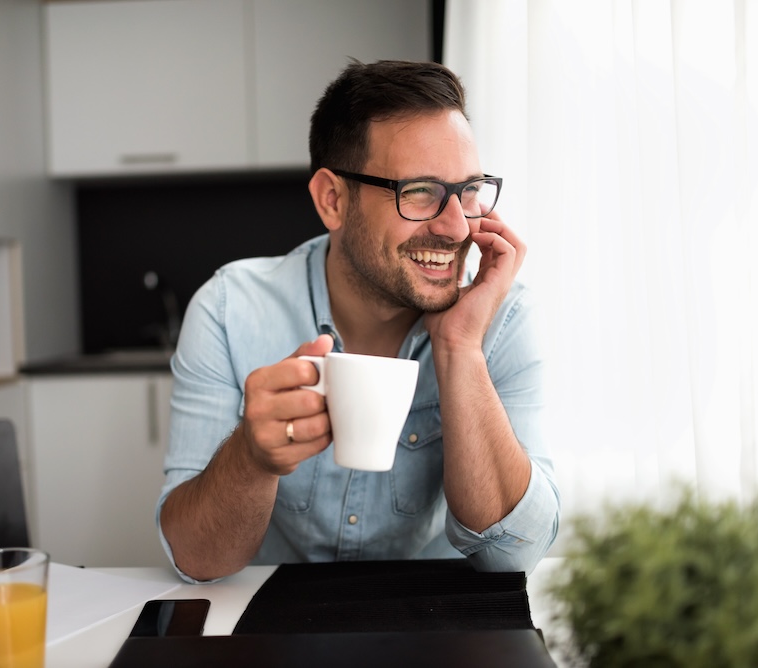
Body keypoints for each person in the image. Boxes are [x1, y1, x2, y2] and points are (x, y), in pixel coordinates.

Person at [156, 59, 560, 583]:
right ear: (333, 200)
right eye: (419, 191)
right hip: (276, 630)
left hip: (441, 630)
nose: (458, 226)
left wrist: (460, 347)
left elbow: (513, 558)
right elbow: (196, 560)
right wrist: (251, 459)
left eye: (469, 190)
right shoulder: (230, 310)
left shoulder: (503, 316)